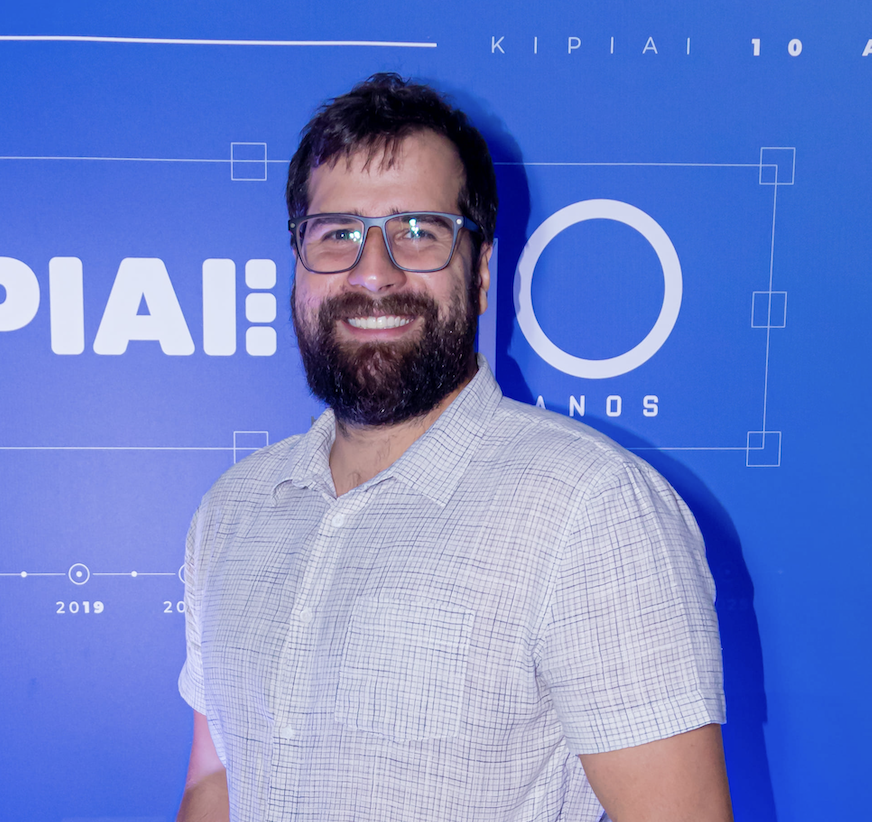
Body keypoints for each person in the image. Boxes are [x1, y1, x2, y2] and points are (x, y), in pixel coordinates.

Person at [176, 73, 732, 822]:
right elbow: (213, 782)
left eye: (418, 231)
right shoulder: (232, 511)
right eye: (337, 233)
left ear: (481, 273)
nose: (374, 273)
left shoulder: (593, 509)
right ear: (298, 266)